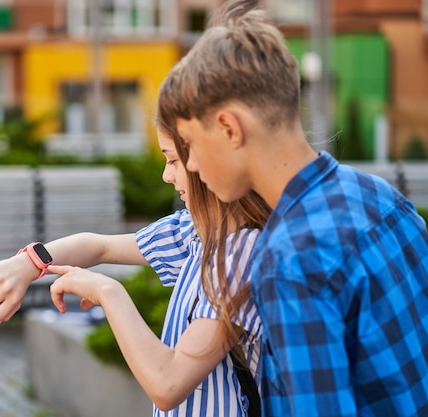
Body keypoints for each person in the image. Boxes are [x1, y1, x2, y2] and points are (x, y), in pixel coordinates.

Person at [156, 0, 428, 416]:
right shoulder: (381, 196)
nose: (190, 165)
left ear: (229, 128)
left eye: (191, 145)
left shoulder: (289, 259)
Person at [0, 125, 271, 416]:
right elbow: (99, 246)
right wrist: (29, 263)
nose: (166, 176)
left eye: (173, 160)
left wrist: (109, 293)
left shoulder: (241, 253)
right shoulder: (196, 231)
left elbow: (168, 384)